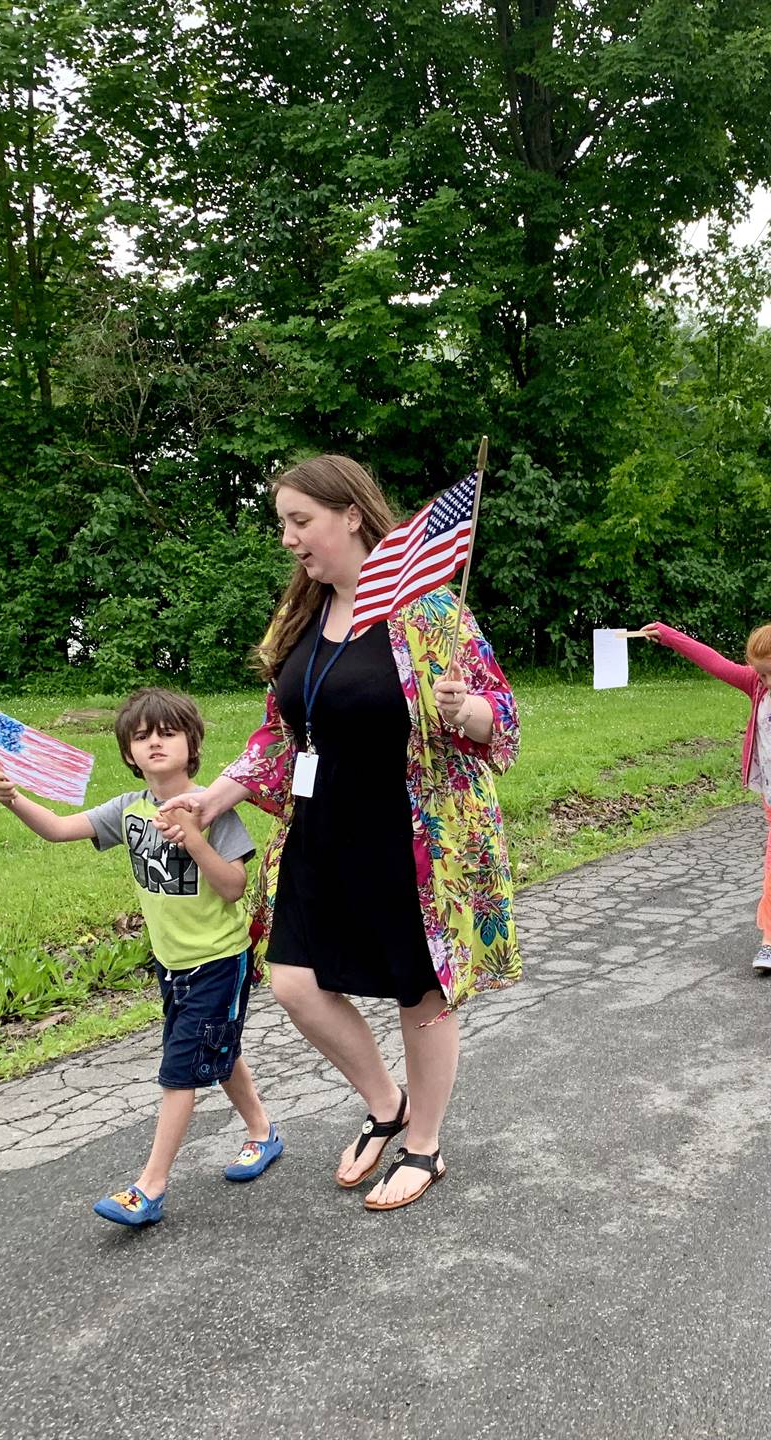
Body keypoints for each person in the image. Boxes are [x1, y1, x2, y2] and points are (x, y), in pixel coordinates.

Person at [161, 456, 520, 1213]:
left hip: (411, 834)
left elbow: (504, 723)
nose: (290, 539)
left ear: (351, 515)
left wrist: (467, 713)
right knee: (294, 981)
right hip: (320, 830)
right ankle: (385, 1102)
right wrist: (212, 795)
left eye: (301, 521)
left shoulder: (430, 610)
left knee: (418, 995)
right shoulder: (304, 615)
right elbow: (279, 735)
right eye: (283, 524)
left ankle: (424, 1143)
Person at [0, 688, 279, 1227]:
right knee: (216, 1047)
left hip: (219, 959)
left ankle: (150, 1187)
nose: (154, 743)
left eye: (166, 732)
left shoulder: (212, 808)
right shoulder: (129, 810)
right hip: (172, 964)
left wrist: (194, 837)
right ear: (128, 752)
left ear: (192, 743)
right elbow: (58, 829)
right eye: (142, 736)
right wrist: (15, 800)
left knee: (180, 1069)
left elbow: (235, 886)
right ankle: (262, 1131)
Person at [647, 617, 771, 972]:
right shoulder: (757, 684)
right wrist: (670, 636)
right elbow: (715, 663)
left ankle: (770, 941)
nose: (767, 682)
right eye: (761, 674)